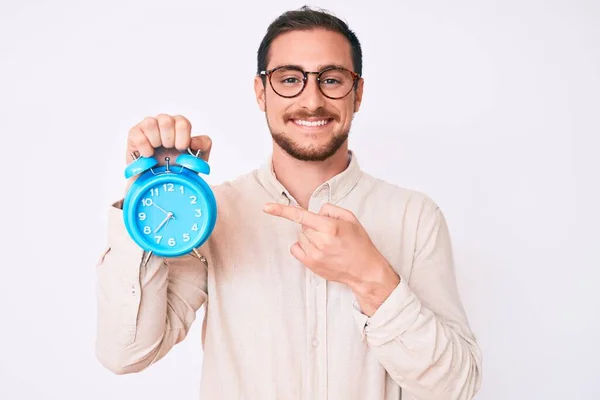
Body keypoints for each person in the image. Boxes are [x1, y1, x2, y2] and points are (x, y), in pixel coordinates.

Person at [95, 6, 482, 400]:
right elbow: (125, 353)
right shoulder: (213, 214)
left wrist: (371, 277)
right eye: (290, 79)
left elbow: (456, 387)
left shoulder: (414, 218)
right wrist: (147, 196)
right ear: (261, 92)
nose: (311, 100)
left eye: (331, 79)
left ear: (358, 93)